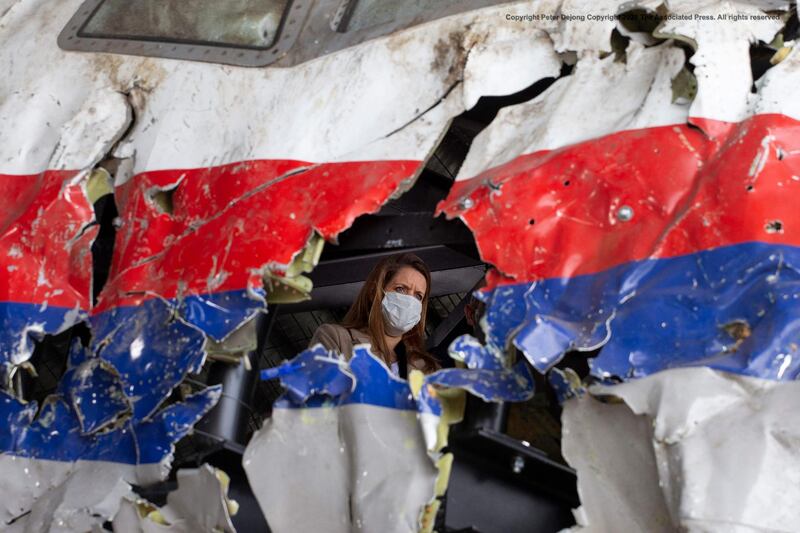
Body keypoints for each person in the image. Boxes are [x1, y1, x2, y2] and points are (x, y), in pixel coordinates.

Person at [309, 252, 439, 376]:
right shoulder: (335, 338)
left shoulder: (428, 370)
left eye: (418, 296)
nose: (410, 301)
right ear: (374, 292)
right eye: (400, 289)